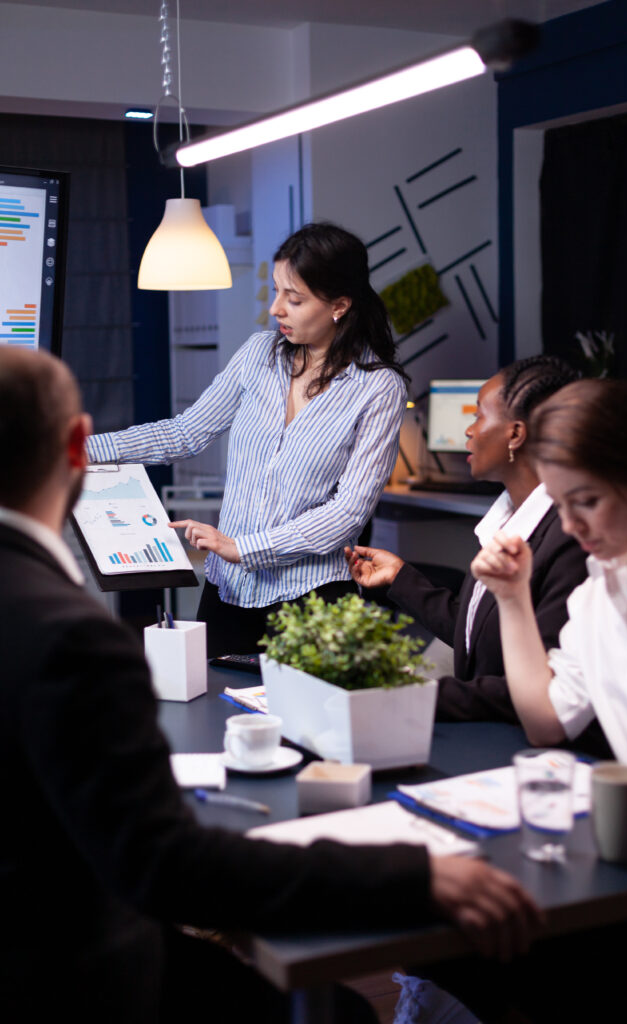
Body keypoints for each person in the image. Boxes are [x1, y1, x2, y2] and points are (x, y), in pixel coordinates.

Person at [0, 347, 542, 1021]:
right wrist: (413, 875)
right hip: (64, 973)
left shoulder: (372, 391)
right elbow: (166, 864)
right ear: (78, 447)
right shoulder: (70, 638)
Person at [87, 222, 410, 657]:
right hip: (229, 590)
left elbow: (349, 512)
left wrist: (244, 548)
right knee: (210, 713)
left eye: (293, 299)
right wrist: (81, 449)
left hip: (312, 598)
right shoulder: (259, 354)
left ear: (340, 305)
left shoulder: (379, 388)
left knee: (297, 723)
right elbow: (186, 433)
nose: (276, 308)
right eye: (275, 291)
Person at [345, 356, 592, 730]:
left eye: (478, 415)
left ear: (515, 434)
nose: (469, 430)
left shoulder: (570, 539)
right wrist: (399, 578)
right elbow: (476, 638)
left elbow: (537, 687)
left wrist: (411, 694)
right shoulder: (507, 517)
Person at [470, 377, 627, 782]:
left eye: (587, 501)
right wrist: (513, 597)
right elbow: (546, 723)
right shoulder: (598, 593)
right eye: (561, 504)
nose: (570, 525)